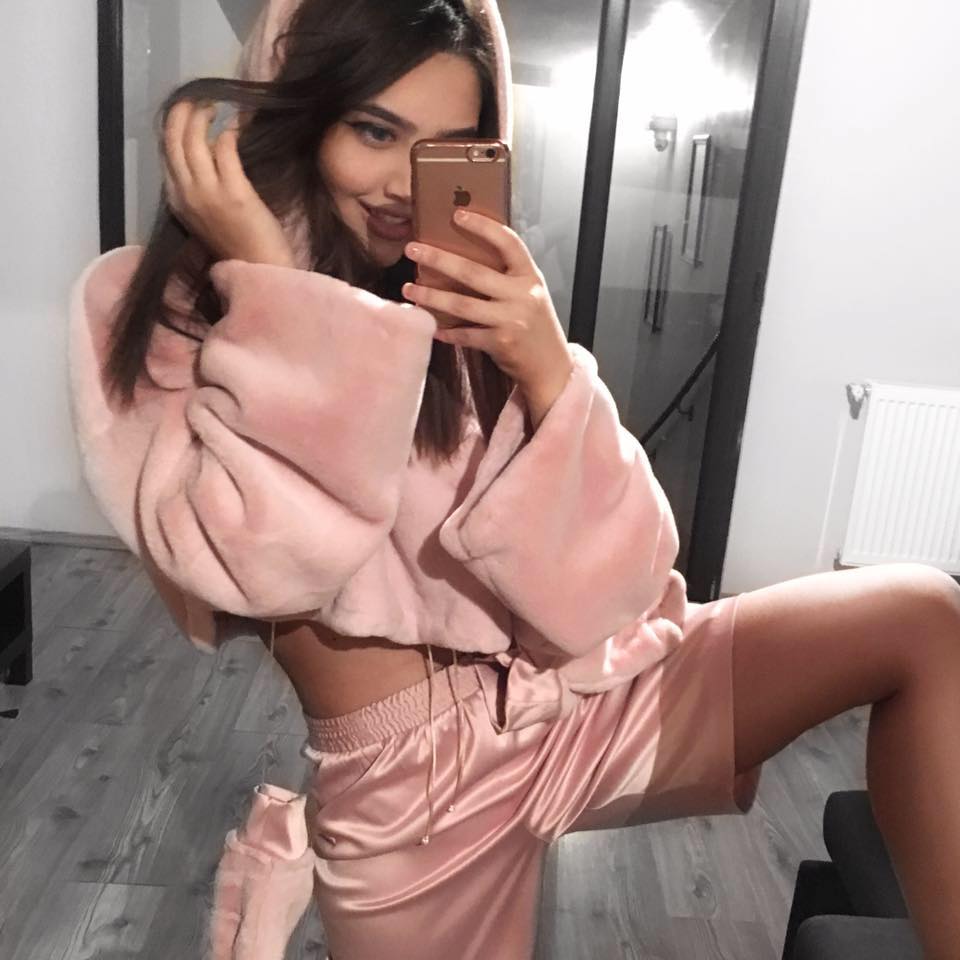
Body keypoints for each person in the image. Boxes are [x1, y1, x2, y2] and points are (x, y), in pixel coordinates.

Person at [66, 0, 960, 958]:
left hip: (574, 696)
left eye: (445, 148)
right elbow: (258, 568)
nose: (404, 183)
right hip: (410, 794)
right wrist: (274, 284)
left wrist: (547, 370)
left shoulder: (457, 307)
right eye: (375, 130)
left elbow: (619, 590)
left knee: (919, 613)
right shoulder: (162, 311)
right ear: (301, 110)